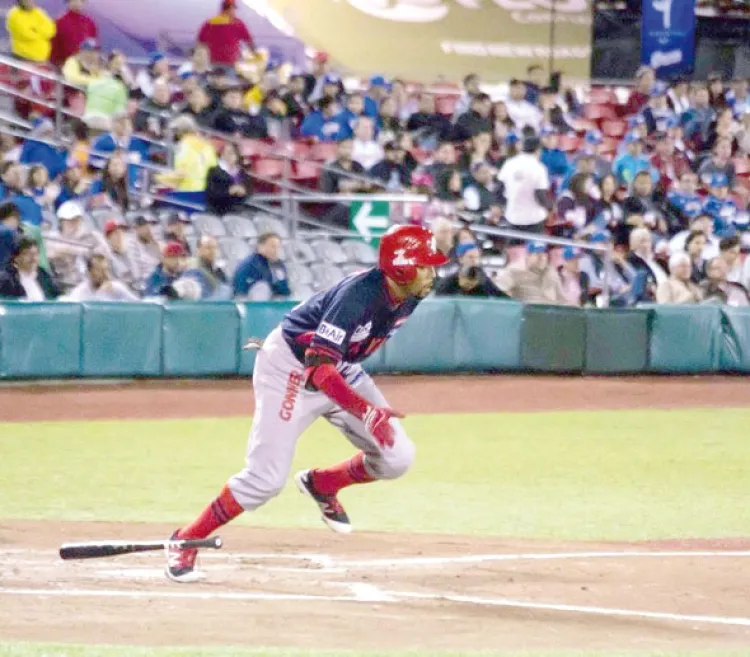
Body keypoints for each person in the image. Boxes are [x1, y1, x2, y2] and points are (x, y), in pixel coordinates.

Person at [165, 224, 449, 581]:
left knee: (397, 457)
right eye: (425, 264)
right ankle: (186, 539)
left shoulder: (410, 293)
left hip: (338, 368)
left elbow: (334, 365)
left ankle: (324, 483)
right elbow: (318, 369)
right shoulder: (358, 298)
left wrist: (363, 407)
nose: (433, 272)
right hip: (292, 370)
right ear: (403, 267)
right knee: (265, 480)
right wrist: (365, 410)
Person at [497, 135, 551, 233]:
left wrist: (506, 204)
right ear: (538, 150)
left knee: (513, 248)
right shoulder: (539, 168)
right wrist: (549, 207)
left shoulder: (509, 163)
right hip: (534, 219)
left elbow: (498, 189)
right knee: (534, 248)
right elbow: (540, 195)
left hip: (513, 217)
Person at [494, 242, 569, 305]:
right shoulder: (515, 272)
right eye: (537, 254)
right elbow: (497, 291)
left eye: (544, 253)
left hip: (551, 315)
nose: (542, 257)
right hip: (529, 314)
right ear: (528, 256)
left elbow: (562, 299)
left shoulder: (551, 273)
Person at [433, 242, 507, 298]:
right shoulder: (448, 283)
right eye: (471, 257)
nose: (475, 261)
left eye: (477, 257)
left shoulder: (485, 281)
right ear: (461, 259)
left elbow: (499, 296)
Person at [232, 231, 290, 300]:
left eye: (278, 247)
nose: (276, 250)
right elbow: (240, 290)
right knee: (262, 287)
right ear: (260, 247)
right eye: (273, 247)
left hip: (273, 301)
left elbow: (284, 290)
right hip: (249, 303)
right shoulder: (248, 265)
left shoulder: (279, 266)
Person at [198, 0, 254, 67]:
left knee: (215, 77)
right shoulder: (237, 23)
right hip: (231, 62)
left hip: (214, 61)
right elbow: (248, 40)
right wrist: (254, 52)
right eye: (233, 8)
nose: (234, 11)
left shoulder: (210, 22)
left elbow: (201, 40)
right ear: (229, 8)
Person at [63, 253, 139, 301]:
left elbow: (137, 304)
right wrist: (101, 292)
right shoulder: (80, 291)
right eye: (99, 270)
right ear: (90, 272)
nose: (105, 274)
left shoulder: (117, 288)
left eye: (106, 270)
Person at [206, 143, 251, 215]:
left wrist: (244, 191)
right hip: (217, 210)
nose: (228, 156)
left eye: (231, 153)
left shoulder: (242, 173)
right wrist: (228, 191)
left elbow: (249, 190)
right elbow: (211, 192)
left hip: (238, 210)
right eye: (225, 153)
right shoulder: (214, 171)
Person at [50, 0, 97, 68]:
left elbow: (94, 48)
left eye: (80, 0)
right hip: (62, 66)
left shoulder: (90, 23)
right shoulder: (59, 21)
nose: (77, 3)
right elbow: (53, 47)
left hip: (84, 67)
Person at [182, 235, 231, 300]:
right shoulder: (192, 269)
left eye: (215, 248)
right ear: (199, 249)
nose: (212, 251)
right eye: (208, 247)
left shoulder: (217, 269)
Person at [102, 218, 139, 292]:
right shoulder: (106, 258)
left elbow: (138, 277)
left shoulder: (131, 253)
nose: (120, 236)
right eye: (116, 233)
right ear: (108, 238)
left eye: (122, 232)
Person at [128, 214, 162, 288]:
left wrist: (154, 244)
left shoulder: (152, 241)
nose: (149, 229)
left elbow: (162, 262)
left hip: (159, 278)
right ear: (137, 229)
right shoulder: (132, 245)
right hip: (145, 283)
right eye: (145, 226)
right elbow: (137, 275)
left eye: (150, 226)